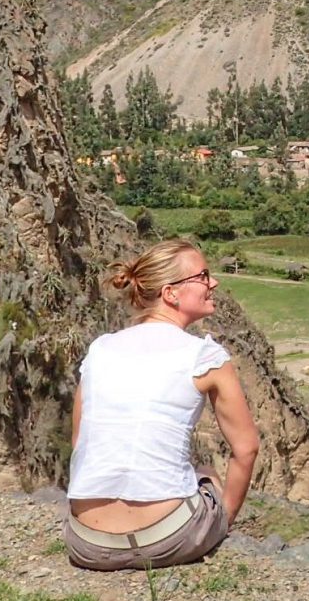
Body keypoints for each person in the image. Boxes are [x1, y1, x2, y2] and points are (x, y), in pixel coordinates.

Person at [64, 240, 260, 570]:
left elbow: (79, 442)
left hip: (87, 545)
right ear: (171, 293)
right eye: (203, 276)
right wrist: (223, 519)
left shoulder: (101, 349)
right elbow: (247, 448)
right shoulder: (205, 356)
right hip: (168, 540)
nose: (214, 283)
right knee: (207, 475)